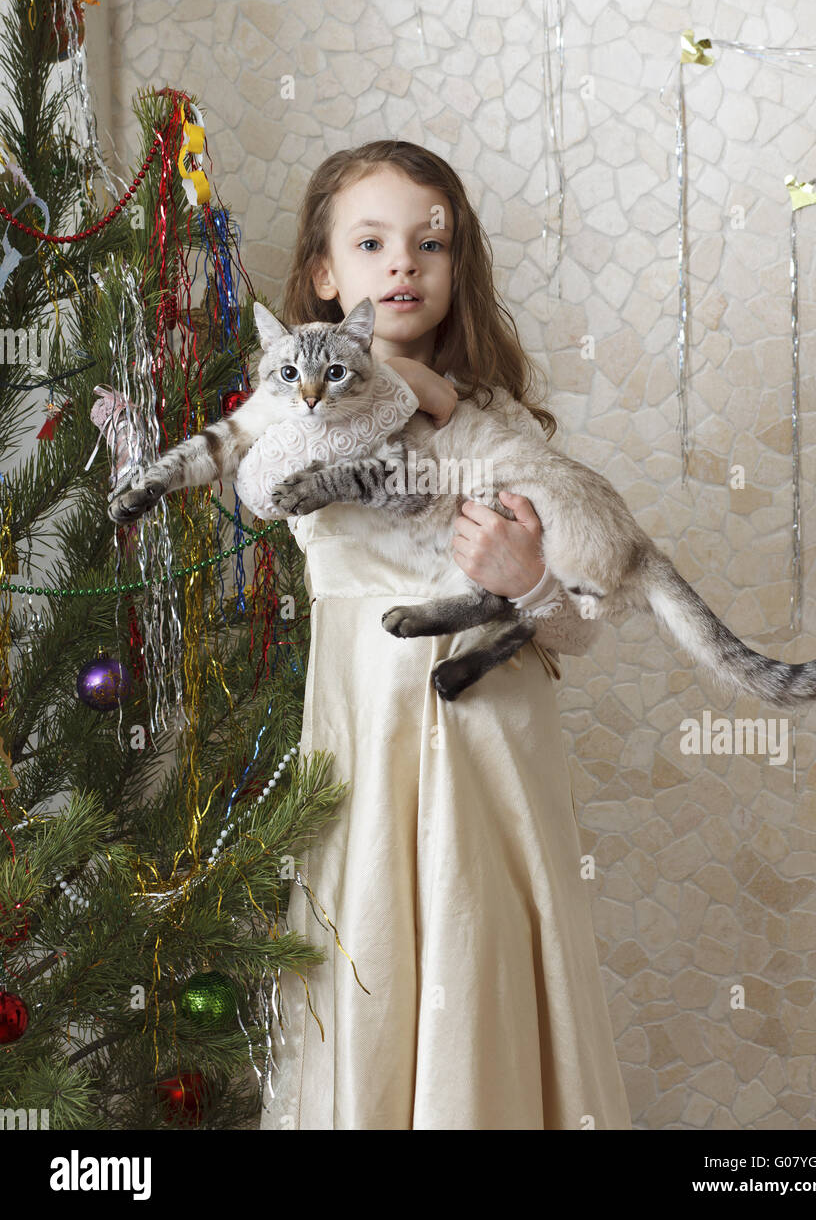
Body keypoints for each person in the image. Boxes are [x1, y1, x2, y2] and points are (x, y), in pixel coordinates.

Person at [259, 139, 631, 1130]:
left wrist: (530, 579)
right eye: (371, 241)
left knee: (488, 979)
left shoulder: (502, 427)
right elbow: (269, 478)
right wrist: (390, 376)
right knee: (371, 975)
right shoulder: (302, 417)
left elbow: (574, 632)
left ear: (456, 266)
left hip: (493, 769)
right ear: (325, 273)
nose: (403, 265)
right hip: (367, 768)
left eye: (430, 242)